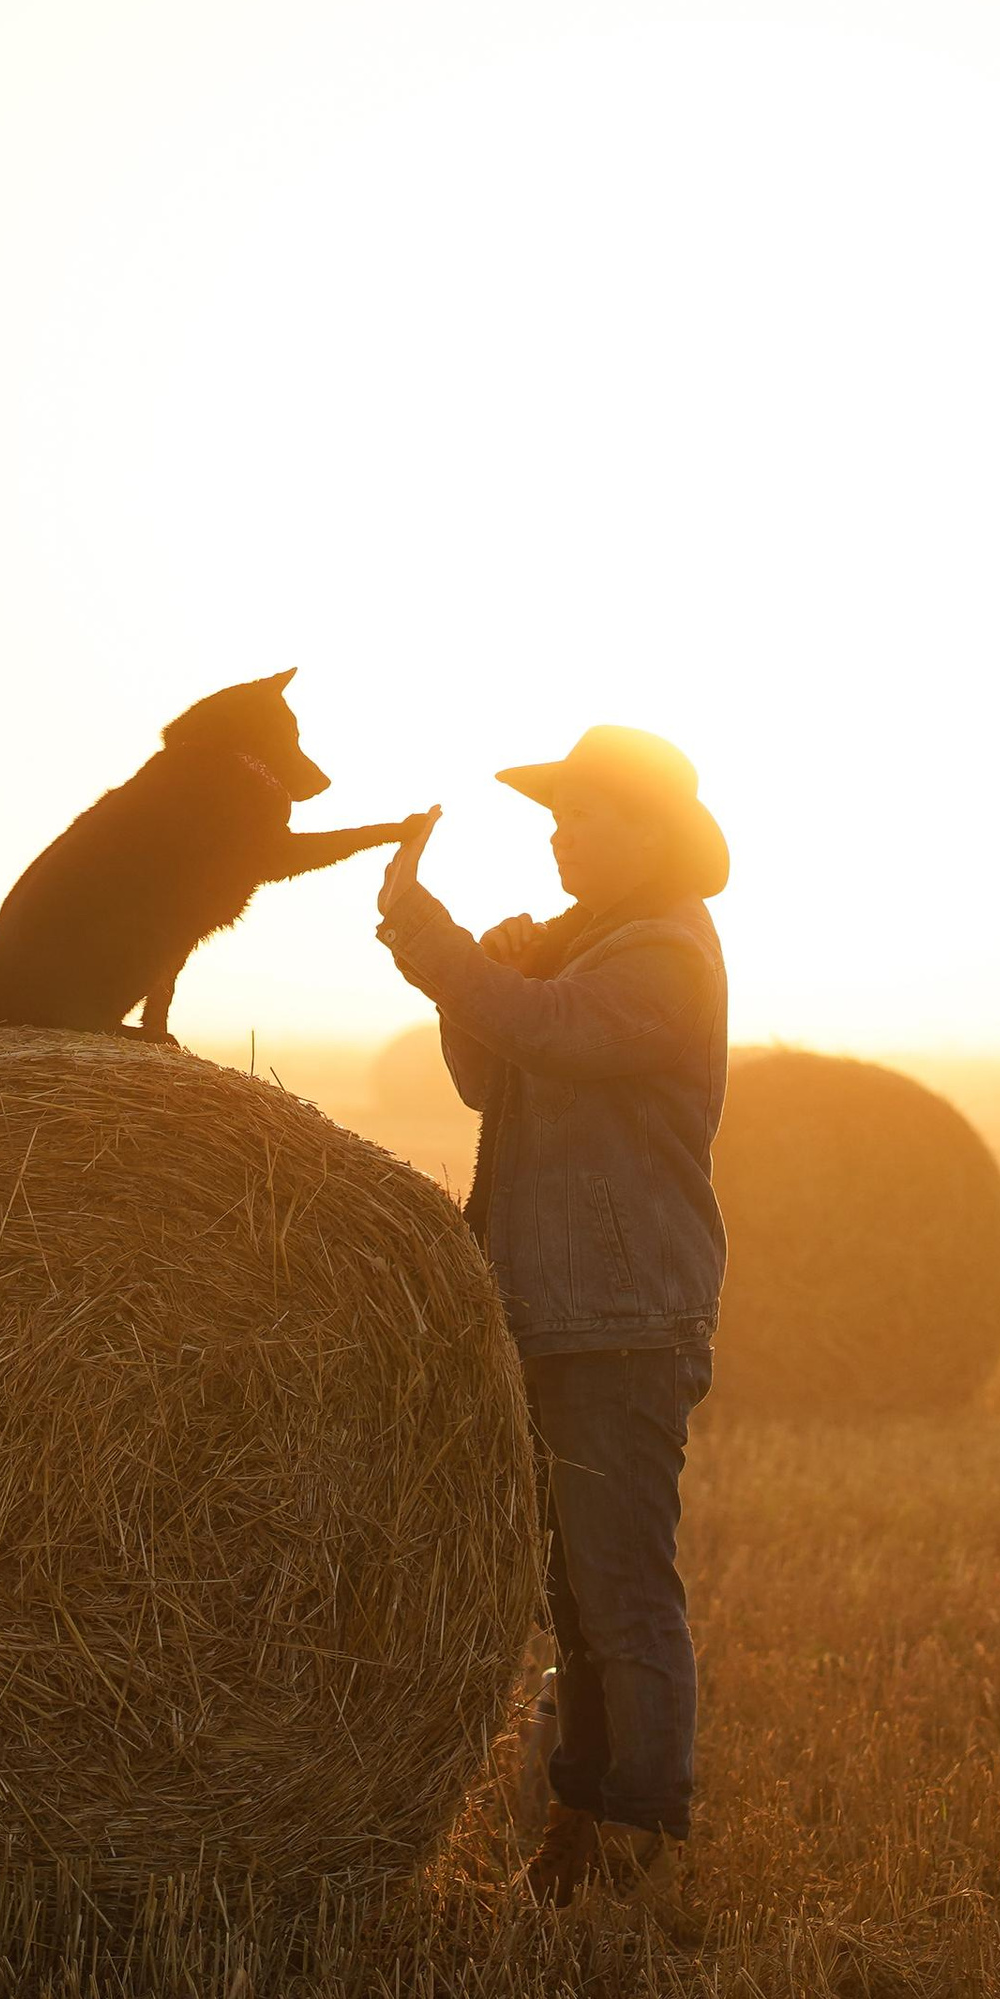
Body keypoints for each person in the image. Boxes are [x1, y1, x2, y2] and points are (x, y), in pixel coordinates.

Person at [375, 725, 729, 1907]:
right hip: (558, 1310)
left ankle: (641, 1837)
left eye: (584, 816)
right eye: (556, 818)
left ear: (649, 834)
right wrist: (478, 980)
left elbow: (555, 1035)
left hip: (621, 1318)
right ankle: (583, 1824)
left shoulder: (664, 953)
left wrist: (447, 957)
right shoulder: (590, 945)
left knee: (622, 1586)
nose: (561, 835)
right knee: (574, 1592)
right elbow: (497, 1070)